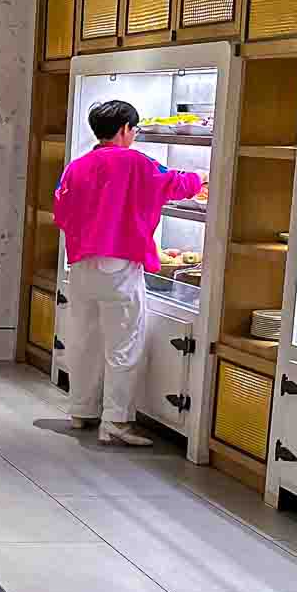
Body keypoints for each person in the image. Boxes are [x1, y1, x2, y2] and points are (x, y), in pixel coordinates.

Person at [53, 97, 205, 446]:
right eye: (134, 129)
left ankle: (81, 410)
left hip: (80, 264)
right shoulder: (136, 162)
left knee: (85, 339)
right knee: (124, 342)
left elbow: (61, 211)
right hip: (119, 264)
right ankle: (116, 422)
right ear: (125, 130)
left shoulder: (77, 166)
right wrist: (202, 177)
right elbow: (175, 184)